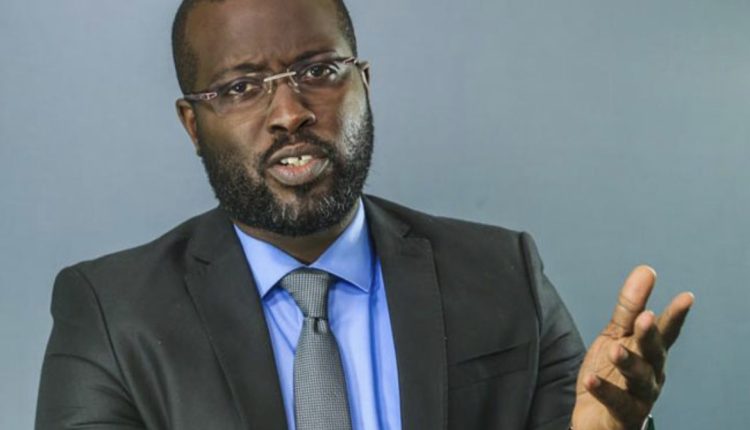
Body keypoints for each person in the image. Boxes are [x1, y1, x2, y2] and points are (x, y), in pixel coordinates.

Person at [35, 0, 694, 429]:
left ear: (364, 84)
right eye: (241, 87)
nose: (290, 113)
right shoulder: (113, 314)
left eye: (319, 70)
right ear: (193, 124)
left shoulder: (503, 274)